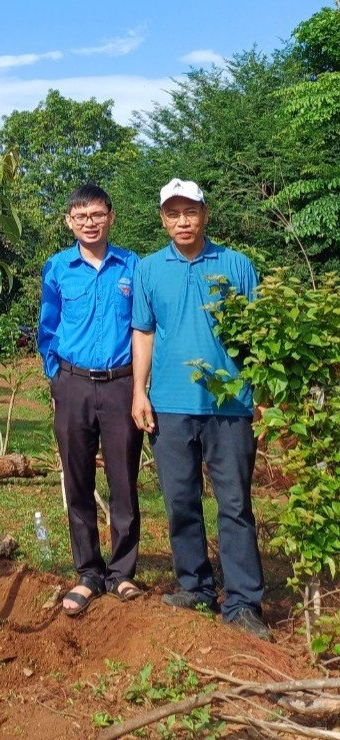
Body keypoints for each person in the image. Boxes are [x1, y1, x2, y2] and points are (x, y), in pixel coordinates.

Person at [131, 179, 269, 641]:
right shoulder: (150, 270)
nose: (182, 221)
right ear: (163, 220)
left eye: (190, 212)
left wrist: (262, 395)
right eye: (173, 214)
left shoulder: (236, 265)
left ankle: (245, 601)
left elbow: (256, 335)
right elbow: (144, 333)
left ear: (205, 214)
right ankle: (195, 586)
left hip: (229, 404)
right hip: (170, 405)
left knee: (235, 504)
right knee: (180, 500)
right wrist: (138, 391)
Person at [38, 184, 143, 617]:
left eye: (97, 214)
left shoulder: (132, 266)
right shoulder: (57, 268)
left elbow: (144, 326)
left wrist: (140, 385)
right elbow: (47, 324)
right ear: (69, 221)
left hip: (121, 386)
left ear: (110, 217)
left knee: (123, 480)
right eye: (81, 216)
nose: (89, 222)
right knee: (77, 480)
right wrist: (56, 376)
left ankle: (122, 572)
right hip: (74, 385)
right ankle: (88, 571)